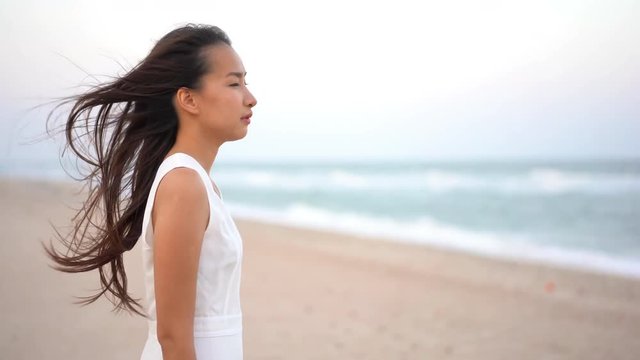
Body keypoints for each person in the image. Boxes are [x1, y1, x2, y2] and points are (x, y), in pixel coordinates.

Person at [42, 23, 257, 360]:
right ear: (188, 99)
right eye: (234, 83)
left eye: (246, 82)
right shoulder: (184, 184)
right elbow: (172, 337)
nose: (250, 97)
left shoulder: (198, 181)